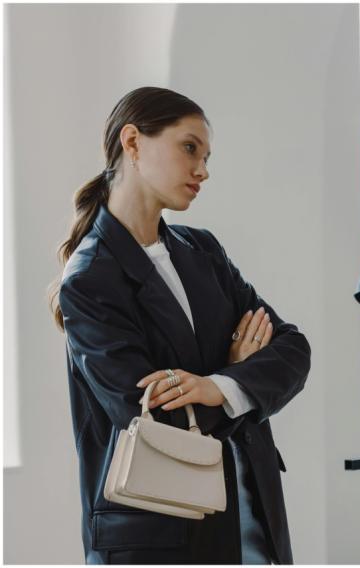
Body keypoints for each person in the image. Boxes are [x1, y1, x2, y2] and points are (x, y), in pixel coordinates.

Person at [48, 86, 311, 564]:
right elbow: (154, 418)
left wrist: (215, 386)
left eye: (206, 157)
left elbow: (293, 348)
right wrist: (237, 376)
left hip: (253, 521)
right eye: (190, 148)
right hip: (161, 538)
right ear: (133, 142)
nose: (203, 170)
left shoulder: (203, 249)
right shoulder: (90, 279)